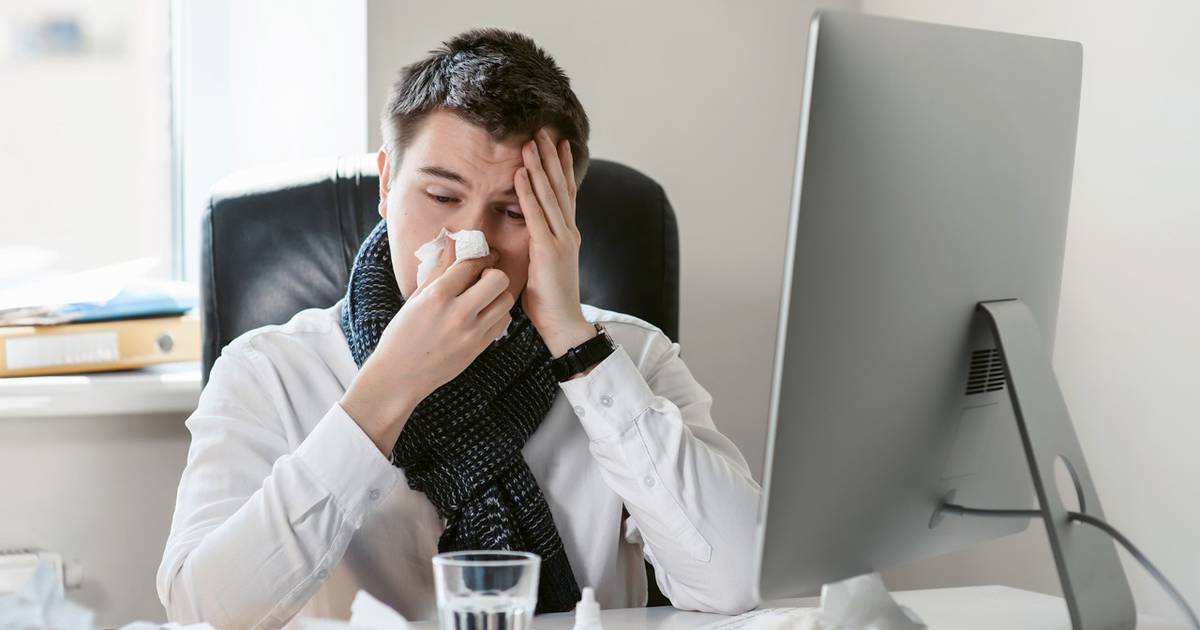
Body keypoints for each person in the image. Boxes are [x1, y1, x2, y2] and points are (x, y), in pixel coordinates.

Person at [157, 27, 761, 629]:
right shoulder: (267, 372)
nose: (472, 242)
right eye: (442, 197)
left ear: (561, 219)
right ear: (387, 184)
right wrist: (385, 393)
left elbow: (740, 581)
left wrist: (572, 342)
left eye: (514, 212)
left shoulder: (630, 358)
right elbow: (203, 614)